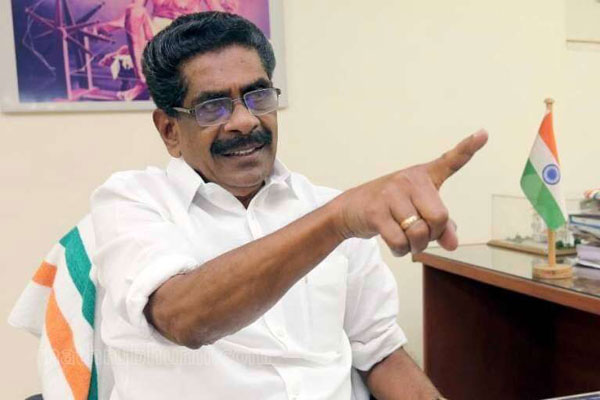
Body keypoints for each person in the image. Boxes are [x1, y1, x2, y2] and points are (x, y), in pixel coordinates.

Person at [91, 12, 487, 400]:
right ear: (170, 131)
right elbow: (183, 318)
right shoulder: (132, 201)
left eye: (258, 96)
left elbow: (378, 352)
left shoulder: (326, 206)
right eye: (213, 107)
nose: (245, 121)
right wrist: (337, 221)